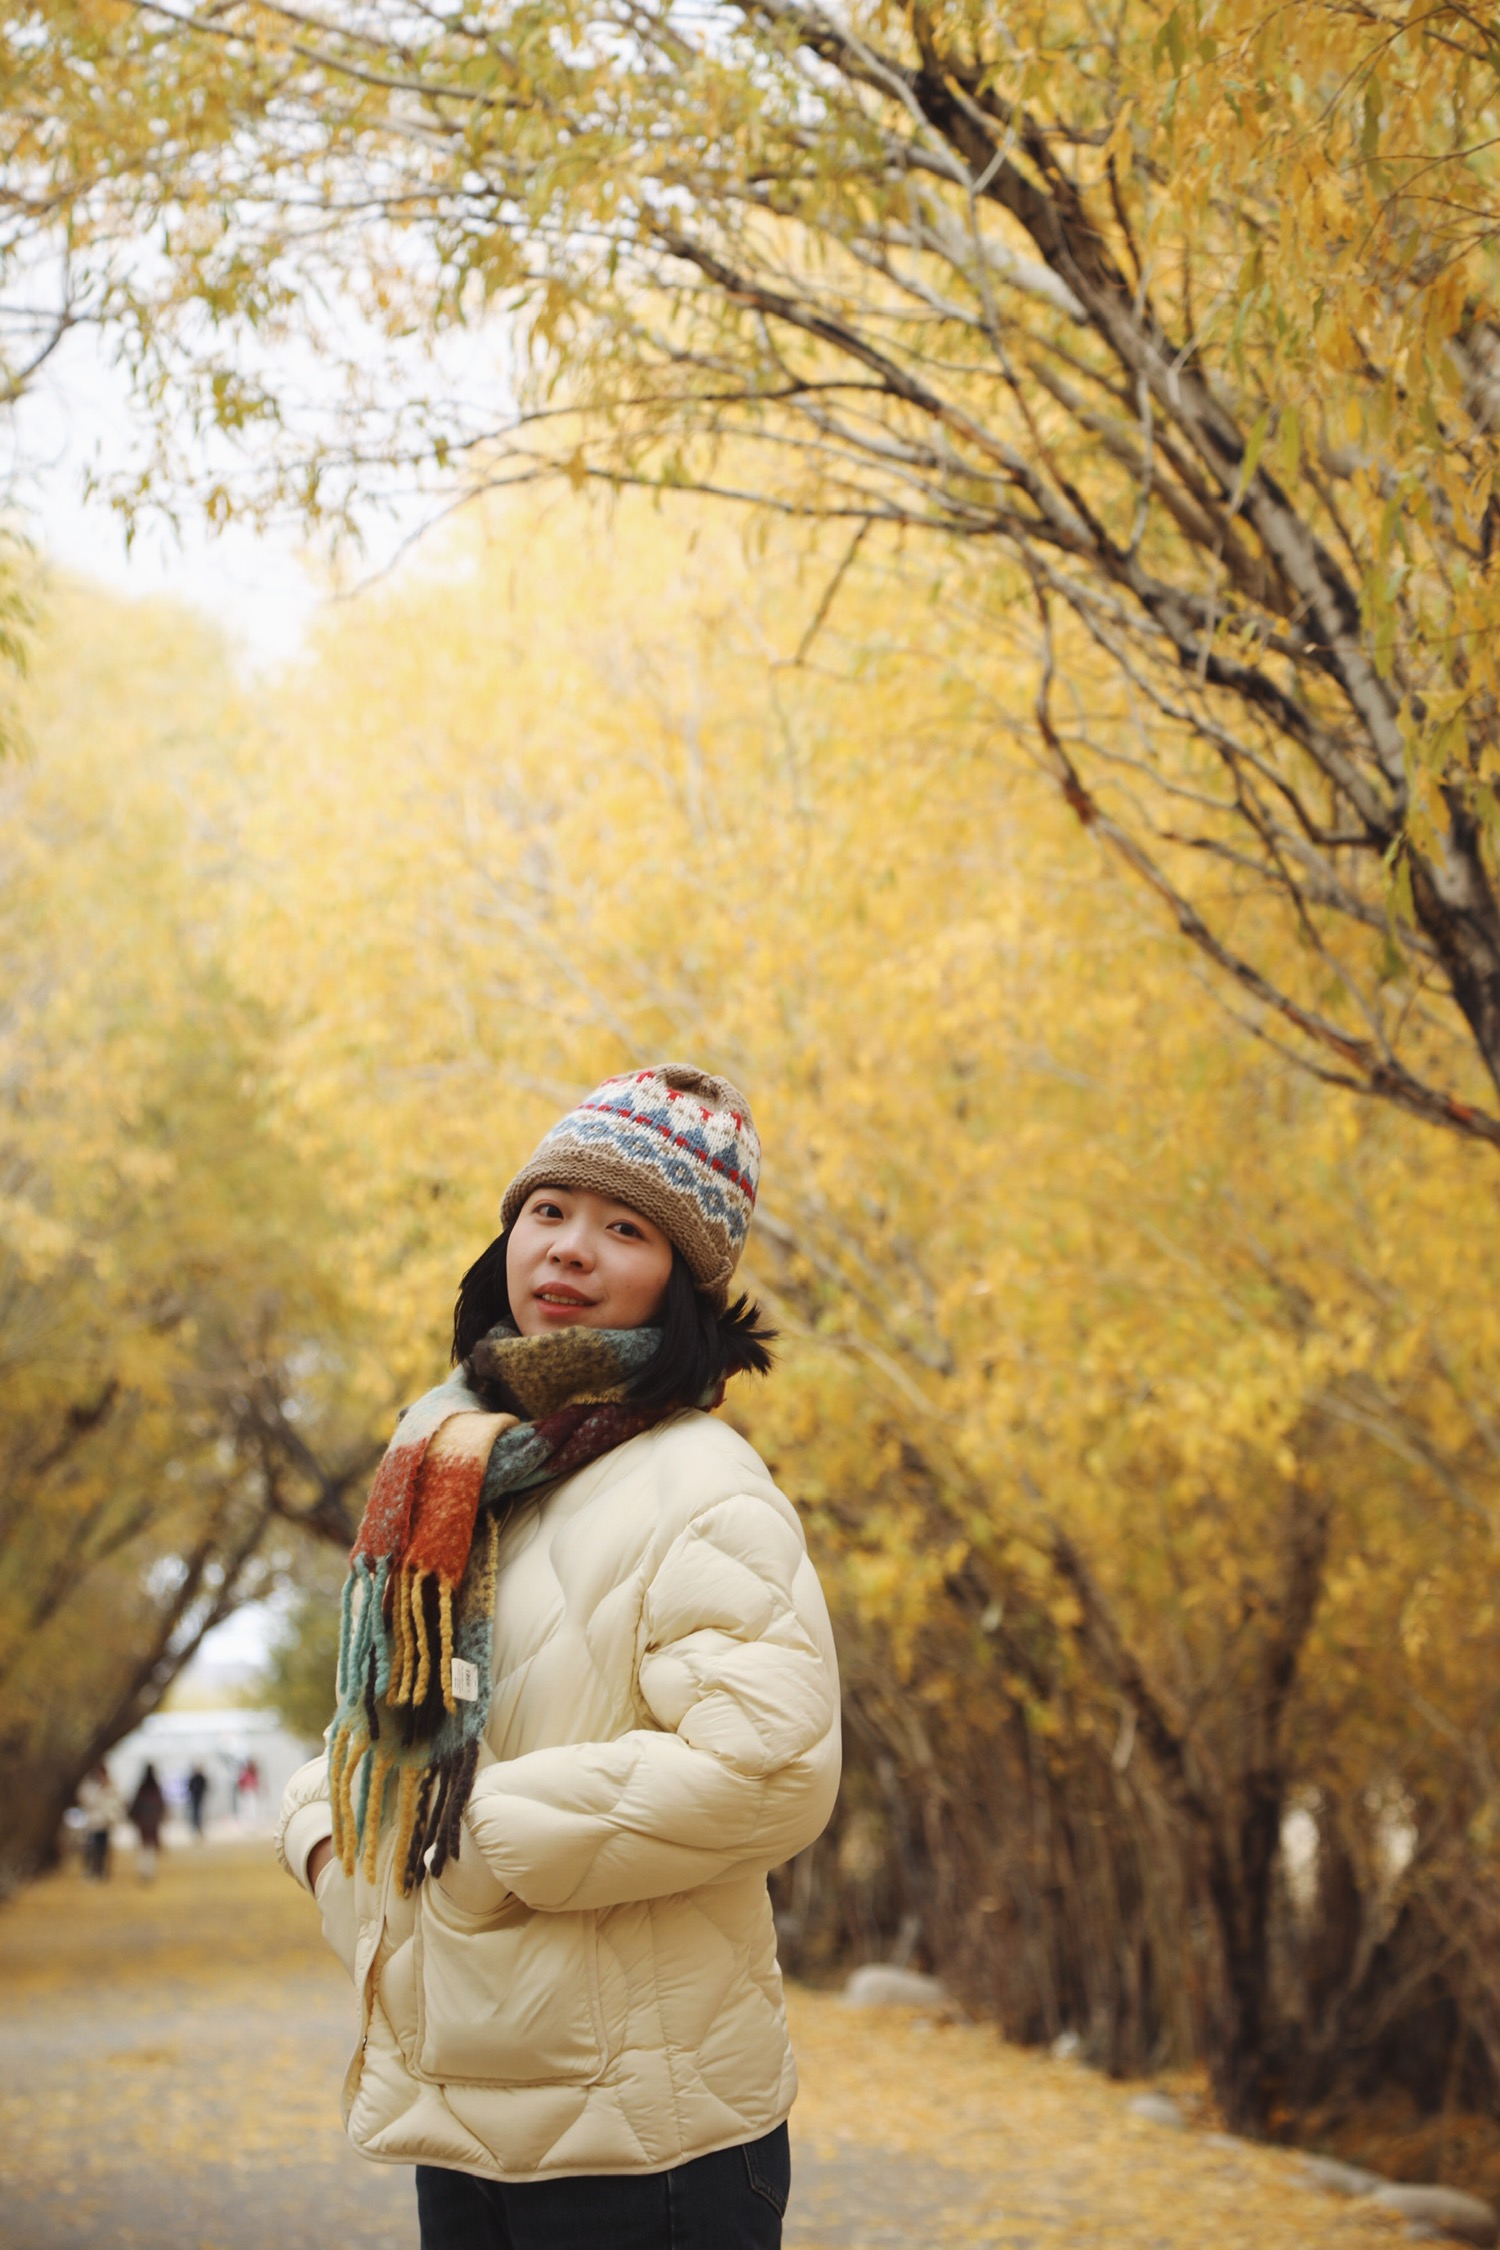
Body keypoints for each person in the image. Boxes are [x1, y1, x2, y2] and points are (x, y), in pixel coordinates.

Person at [277, 1064, 840, 2250]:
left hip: (644, 2142)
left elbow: (771, 1767)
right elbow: (387, 1726)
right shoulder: (459, 1464)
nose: (571, 1248)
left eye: (625, 1229)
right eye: (549, 1210)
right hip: (461, 2122)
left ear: (682, 1285)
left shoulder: (700, 1485)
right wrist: (330, 1842)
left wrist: (475, 1842)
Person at [77, 1763, 123, 1881]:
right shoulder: (90, 1787)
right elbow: (85, 1801)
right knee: (91, 1848)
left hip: (105, 1823)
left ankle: (101, 1871)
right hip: (93, 1823)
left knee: (103, 1848)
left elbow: (115, 1804)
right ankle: (91, 1871)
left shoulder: (111, 1787)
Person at [128, 1763, 167, 1880]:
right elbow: (161, 1806)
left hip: (143, 1823)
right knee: (150, 1848)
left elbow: (135, 1805)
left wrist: (135, 1818)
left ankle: (144, 1870)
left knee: (144, 1847)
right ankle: (149, 1871)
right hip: (152, 1823)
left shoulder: (142, 1789)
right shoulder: (155, 1789)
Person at [186, 1766, 210, 1840]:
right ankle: (195, 1829)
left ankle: (200, 1829)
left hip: (199, 1798)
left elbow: (205, 1786)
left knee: (200, 1814)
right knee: (195, 1814)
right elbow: (189, 1786)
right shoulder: (194, 1778)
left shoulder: (200, 1778)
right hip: (194, 1798)